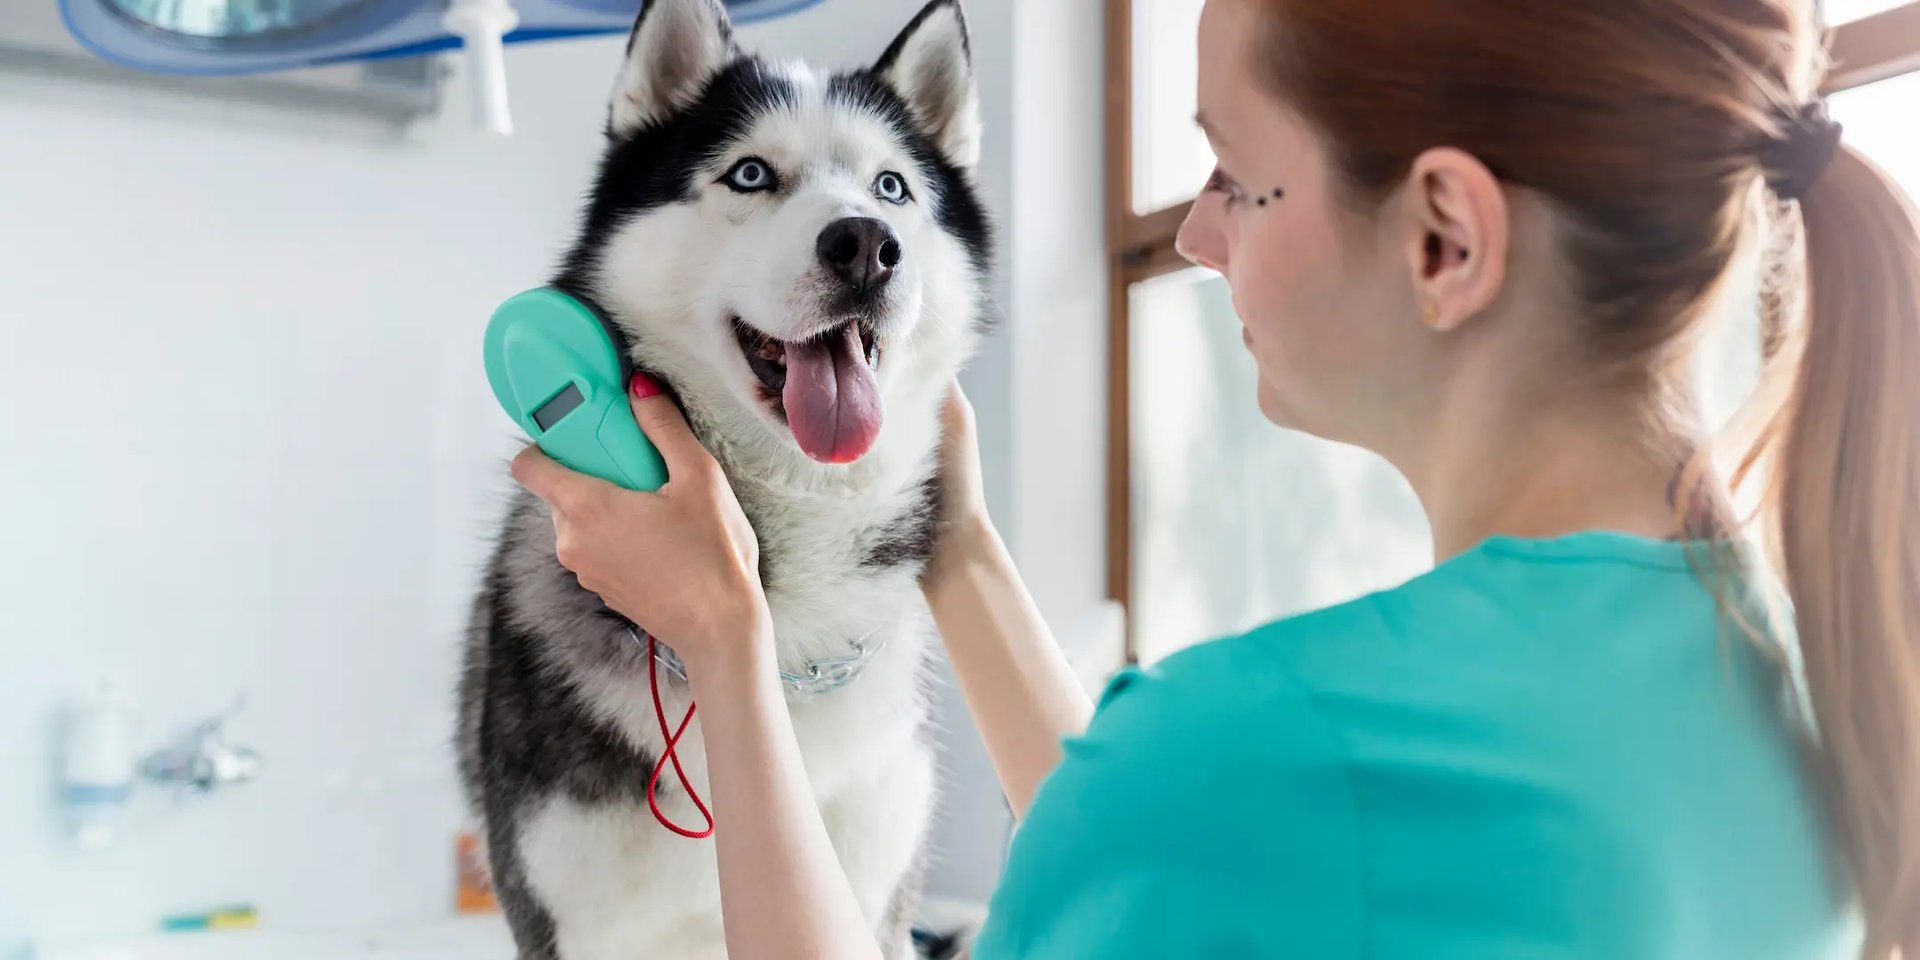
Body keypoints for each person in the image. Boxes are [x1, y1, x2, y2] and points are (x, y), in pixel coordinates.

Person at [506, 0, 1920, 955]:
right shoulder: (1817, 661)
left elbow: (1197, 805)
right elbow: (1183, 846)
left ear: (1444, 238)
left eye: (1236, 179)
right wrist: (962, 547)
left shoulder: (1261, 741)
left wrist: (723, 636)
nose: (1195, 235)